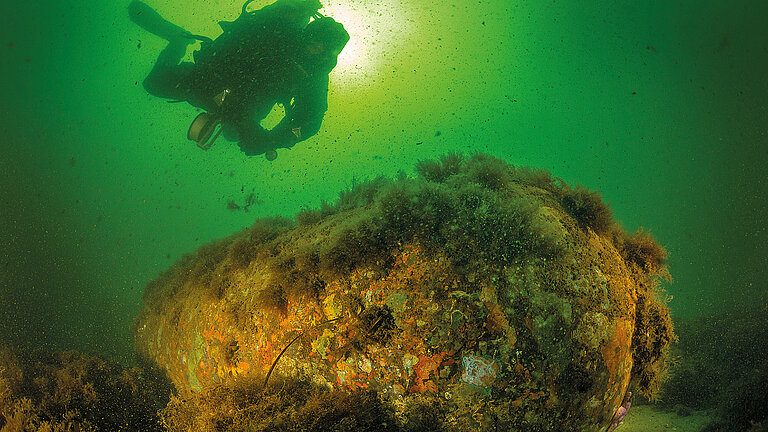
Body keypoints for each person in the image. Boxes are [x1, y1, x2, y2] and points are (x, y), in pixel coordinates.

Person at [129, 0, 349, 160]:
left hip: (245, 110)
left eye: (323, 53)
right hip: (210, 80)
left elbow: (310, 119)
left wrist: (272, 140)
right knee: (153, 84)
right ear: (303, 37)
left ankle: (232, 119)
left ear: (332, 56)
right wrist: (223, 97)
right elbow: (224, 53)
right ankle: (178, 39)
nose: (314, 54)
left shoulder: (315, 75)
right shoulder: (271, 36)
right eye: (313, 45)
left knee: (232, 135)